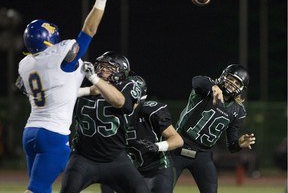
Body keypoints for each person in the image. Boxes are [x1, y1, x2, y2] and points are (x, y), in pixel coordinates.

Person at [17, 0, 113, 192]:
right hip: (53, 135)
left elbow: (56, 92)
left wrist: (88, 90)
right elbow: (89, 29)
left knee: (43, 188)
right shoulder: (62, 57)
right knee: (37, 189)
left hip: (31, 132)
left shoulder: (25, 64)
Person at [60, 52, 151, 193]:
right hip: (83, 158)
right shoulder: (83, 82)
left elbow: (122, 103)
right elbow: (58, 89)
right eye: (101, 66)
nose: (102, 70)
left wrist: (94, 79)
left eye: (109, 68)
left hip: (116, 159)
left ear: (121, 72)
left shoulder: (128, 84)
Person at [171, 64, 256, 193]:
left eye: (237, 82)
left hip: (202, 155)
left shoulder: (238, 111)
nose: (232, 83)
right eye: (231, 78)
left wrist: (238, 143)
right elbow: (196, 81)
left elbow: (231, 146)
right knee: (161, 188)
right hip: (178, 145)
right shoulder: (207, 89)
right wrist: (213, 86)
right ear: (223, 76)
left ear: (241, 88)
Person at [100, 74, 184, 193]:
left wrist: (158, 146)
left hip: (156, 169)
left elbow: (177, 140)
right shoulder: (111, 113)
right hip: (127, 171)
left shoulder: (149, 111)